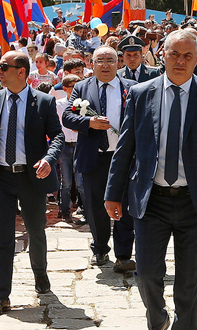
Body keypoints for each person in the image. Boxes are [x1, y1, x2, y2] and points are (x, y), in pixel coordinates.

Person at [104, 30, 197, 330]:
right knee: (147, 273)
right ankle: (157, 320)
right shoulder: (141, 93)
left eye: (188, 56)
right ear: (162, 54)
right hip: (152, 200)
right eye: (174, 54)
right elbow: (126, 147)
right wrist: (113, 192)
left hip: (196, 202)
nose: (180, 61)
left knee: (190, 280)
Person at [62, 46, 137, 273]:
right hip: (94, 158)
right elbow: (68, 117)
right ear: (91, 64)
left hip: (123, 158)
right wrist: (89, 123)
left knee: (125, 205)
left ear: (118, 63)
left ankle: (123, 255)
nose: (105, 65)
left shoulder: (131, 88)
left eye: (110, 60)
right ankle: (100, 248)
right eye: (100, 60)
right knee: (95, 207)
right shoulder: (82, 88)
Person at [0, 51, 64, 313]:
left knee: (36, 231)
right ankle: (2, 293)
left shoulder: (44, 101)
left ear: (21, 71)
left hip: (32, 177)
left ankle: (40, 274)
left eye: (4, 66)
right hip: (3, 177)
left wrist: (49, 159)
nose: (0, 71)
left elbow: (57, 136)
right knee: (3, 235)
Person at [55, 74, 84, 225]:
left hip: (79, 145)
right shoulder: (59, 104)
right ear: (65, 88)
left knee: (81, 182)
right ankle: (65, 211)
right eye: (73, 87)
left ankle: (85, 210)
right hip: (65, 145)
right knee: (66, 182)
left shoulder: (83, 104)